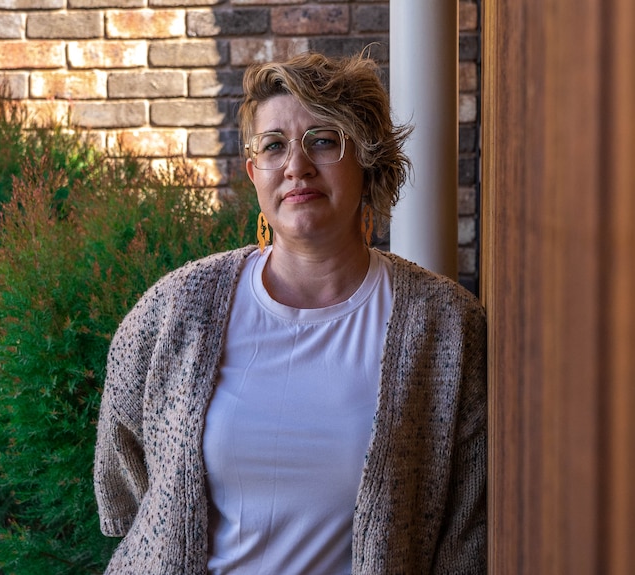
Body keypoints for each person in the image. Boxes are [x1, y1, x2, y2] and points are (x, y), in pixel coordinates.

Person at [94, 51, 487, 574]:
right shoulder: (177, 308)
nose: (296, 166)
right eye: (274, 146)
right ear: (253, 171)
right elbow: (129, 476)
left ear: (366, 159)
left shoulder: (444, 327)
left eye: (323, 140)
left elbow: (467, 532)